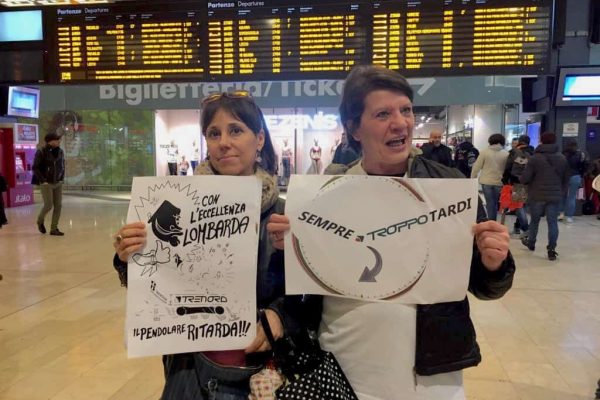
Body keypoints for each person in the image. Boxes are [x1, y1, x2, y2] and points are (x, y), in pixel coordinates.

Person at [267, 65, 515, 400]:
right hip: (342, 366)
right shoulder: (324, 194)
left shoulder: (448, 186)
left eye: (406, 110)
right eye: (383, 113)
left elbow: (484, 287)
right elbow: (301, 290)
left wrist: (493, 262)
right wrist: (288, 249)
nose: (400, 122)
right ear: (354, 128)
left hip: (430, 376)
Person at [112, 91, 299, 399]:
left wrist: (279, 313)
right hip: (191, 372)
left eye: (236, 130)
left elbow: (307, 301)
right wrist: (128, 256)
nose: (224, 142)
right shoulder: (172, 206)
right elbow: (156, 286)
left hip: (261, 376)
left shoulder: (281, 215)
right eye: (214, 133)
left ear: (260, 139)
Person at [520, 132, 569, 261]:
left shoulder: (535, 158)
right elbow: (565, 180)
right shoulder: (562, 158)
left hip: (537, 195)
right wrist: (561, 193)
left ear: (541, 141)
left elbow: (525, 178)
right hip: (554, 196)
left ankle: (531, 243)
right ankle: (551, 249)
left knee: (535, 221)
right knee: (552, 222)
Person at [471, 134, 509, 221]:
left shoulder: (484, 152)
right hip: (499, 182)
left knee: (489, 203)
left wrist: (473, 178)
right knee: (495, 202)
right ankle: (493, 221)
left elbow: (477, 166)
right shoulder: (506, 154)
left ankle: (492, 221)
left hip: (486, 182)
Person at [33, 132, 65, 236]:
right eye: (57, 140)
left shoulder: (60, 151)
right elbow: (35, 167)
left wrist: (61, 178)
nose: (59, 141)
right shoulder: (41, 152)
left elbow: (62, 165)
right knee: (48, 205)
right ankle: (40, 221)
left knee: (58, 206)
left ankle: (54, 228)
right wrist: (43, 181)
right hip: (47, 183)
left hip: (58, 182)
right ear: (51, 141)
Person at [502, 134, 533, 236]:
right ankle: (517, 227)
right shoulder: (533, 152)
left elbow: (508, 167)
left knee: (518, 206)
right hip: (531, 182)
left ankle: (526, 228)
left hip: (518, 182)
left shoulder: (515, 152)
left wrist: (505, 180)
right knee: (522, 204)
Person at [559, 140, 588, 223]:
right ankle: (569, 217)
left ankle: (561, 214)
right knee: (571, 197)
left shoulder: (563, 154)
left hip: (564, 177)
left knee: (562, 196)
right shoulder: (581, 154)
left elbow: (560, 166)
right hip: (576, 176)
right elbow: (584, 165)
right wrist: (581, 174)